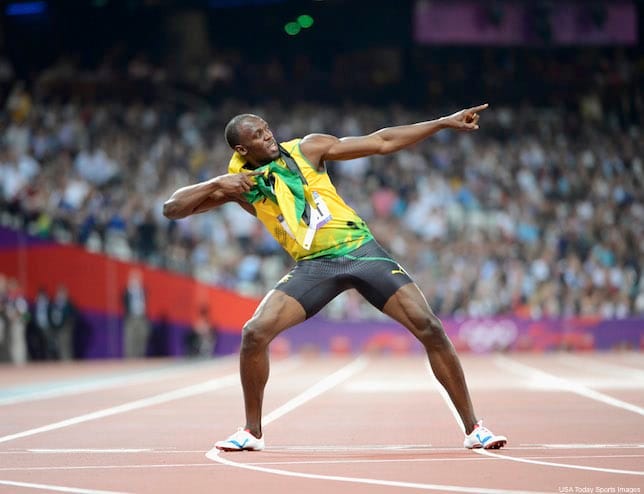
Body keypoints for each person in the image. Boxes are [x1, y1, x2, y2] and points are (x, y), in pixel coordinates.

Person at [163, 104, 507, 451]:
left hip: (361, 250)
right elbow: (172, 209)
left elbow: (382, 141)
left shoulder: (307, 149)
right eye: (257, 135)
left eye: (267, 128)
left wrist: (442, 123)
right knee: (254, 333)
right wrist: (219, 182)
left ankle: (474, 428)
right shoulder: (242, 186)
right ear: (241, 150)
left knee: (430, 327)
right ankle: (252, 432)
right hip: (315, 265)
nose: (268, 136)